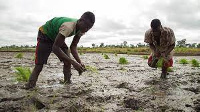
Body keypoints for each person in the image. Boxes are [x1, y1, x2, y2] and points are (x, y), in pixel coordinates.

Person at [25, 11, 95, 89]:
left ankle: (67, 84)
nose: (86, 30)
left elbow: (73, 46)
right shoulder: (68, 26)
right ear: (80, 20)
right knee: (39, 65)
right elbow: (55, 48)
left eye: (89, 28)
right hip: (45, 34)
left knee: (67, 62)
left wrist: (79, 62)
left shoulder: (81, 30)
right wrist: (73, 63)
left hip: (57, 37)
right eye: (86, 26)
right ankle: (30, 86)